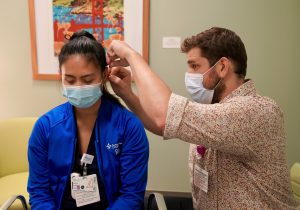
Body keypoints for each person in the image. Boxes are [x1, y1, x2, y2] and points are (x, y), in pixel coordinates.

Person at [106, 27, 299, 209]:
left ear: (222, 67)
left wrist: (132, 55)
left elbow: (165, 116)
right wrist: (128, 95)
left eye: (195, 66)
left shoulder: (257, 111)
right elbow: (160, 124)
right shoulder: (214, 110)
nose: (189, 75)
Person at [27, 30, 149, 210]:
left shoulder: (128, 126)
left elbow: (131, 195)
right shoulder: (46, 127)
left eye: (87, 79)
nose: (78, 87)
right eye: (69, 79)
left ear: (104, 74)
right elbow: (39, 192)